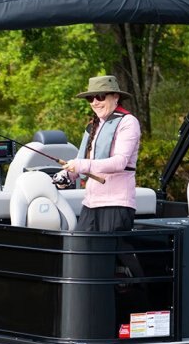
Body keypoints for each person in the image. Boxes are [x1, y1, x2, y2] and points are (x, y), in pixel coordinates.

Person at [56, 74, 142, 232]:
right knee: (81, 247)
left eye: (100, 96)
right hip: (90, 204)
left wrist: (80, 165)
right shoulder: (93, 125)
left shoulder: (128, 122)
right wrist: (66, 175)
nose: (95, 102)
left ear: (115, 97)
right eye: (90, 98)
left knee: (110, 249)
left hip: (117, 205)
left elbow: (119, 162)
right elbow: (82, 161)